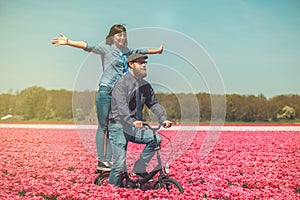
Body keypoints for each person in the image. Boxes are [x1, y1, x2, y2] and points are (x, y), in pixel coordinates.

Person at [51, 24, 164, 171]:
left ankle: (109, 162)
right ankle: (102, 160)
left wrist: (158, 50)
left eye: (124, 35)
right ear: (112, 37)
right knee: (104, 126)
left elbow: (142, 51)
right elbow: (87, 46)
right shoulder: (106, 48)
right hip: (106, 91)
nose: (122, 37)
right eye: (119, 35)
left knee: (113, 127)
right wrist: (68, 42)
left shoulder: (127, 51)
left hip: (119, 93)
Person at [108, 53, 172, 187]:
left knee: (155, 139)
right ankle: (111, 192)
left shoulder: (146, 86)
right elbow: (121, 106)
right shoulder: (122, 84)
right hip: (119, 126)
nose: (144, 65)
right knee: (119, 165)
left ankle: (139, 167)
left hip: (133, 127)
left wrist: (163, 119)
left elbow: (154, 104)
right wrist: (131, 120)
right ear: (131, 65)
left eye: (145, 63)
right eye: (140, 63)